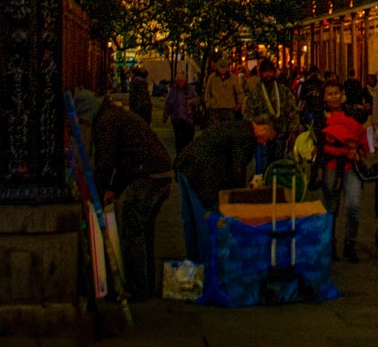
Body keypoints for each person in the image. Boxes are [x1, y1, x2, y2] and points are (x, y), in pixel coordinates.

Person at [74, 89, 174, 299]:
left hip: (147, 174)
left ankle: (138, 286)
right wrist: (113, 188)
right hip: (158, 171)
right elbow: (122, 159)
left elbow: (106, 162)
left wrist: (99, 193)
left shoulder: (106, 122)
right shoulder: (113, 115)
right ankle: (145, 284)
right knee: (143, 228)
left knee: (132, 226)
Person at [175, 113, 276, 266]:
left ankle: (194, 267)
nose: (263, 144)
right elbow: (237, 170)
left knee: (191, 223)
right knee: (206, 223)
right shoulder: (246, 137)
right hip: (201, 174)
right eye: (267, 138)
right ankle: (209, 271)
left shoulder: (238, 126)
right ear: (264, 128)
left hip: (185, 165)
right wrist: (238, 202)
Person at [318, 82, 370, 263]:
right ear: (324, 97)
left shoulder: (353, 113)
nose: (333, 97)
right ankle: (330, 245)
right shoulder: (320, 117)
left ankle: (350, 243)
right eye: (329, 93)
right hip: (331, 167)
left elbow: (362, 135)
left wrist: (359, 151)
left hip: (351, 166)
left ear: (342, 94)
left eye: (336, 93)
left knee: (354, 206)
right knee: (331, 208)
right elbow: (318, 143)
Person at [245, 58, 300, 151]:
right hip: (262, 139)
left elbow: (292, 112)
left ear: (274, 73)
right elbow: (248, 116)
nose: (268, 75)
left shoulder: (283, 91)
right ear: (260, 74)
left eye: (270, 71)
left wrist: (293, 131)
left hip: (282, 136)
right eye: (265, 72)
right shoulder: (254, 93)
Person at [164, 74, 199, 152]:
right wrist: (165, 116)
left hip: (188, 118)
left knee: (188, 138)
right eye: (178, 81)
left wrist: (191, 101)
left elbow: (197, 99)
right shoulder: (173, 90)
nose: (180, 83)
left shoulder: (190, 89)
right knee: (179, 139)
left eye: (181, 81)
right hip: (177, 118)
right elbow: (168, 103)